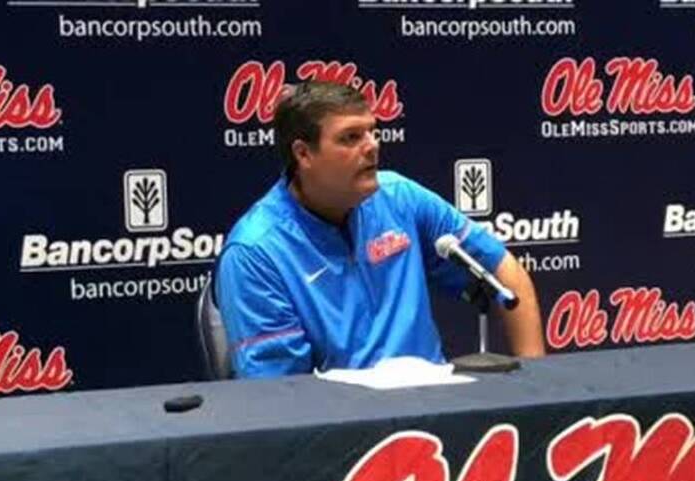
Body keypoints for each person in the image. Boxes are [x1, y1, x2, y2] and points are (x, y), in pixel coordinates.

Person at [216, 81, 545, 378]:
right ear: (303, 153)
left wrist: (537, 383)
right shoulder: (256, 252)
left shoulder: (401, 198)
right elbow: (280, 394)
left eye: (373, 131)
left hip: (439, 412)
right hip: (343, 432)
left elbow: (505, 273)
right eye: (351, 137)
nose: (372, 146)